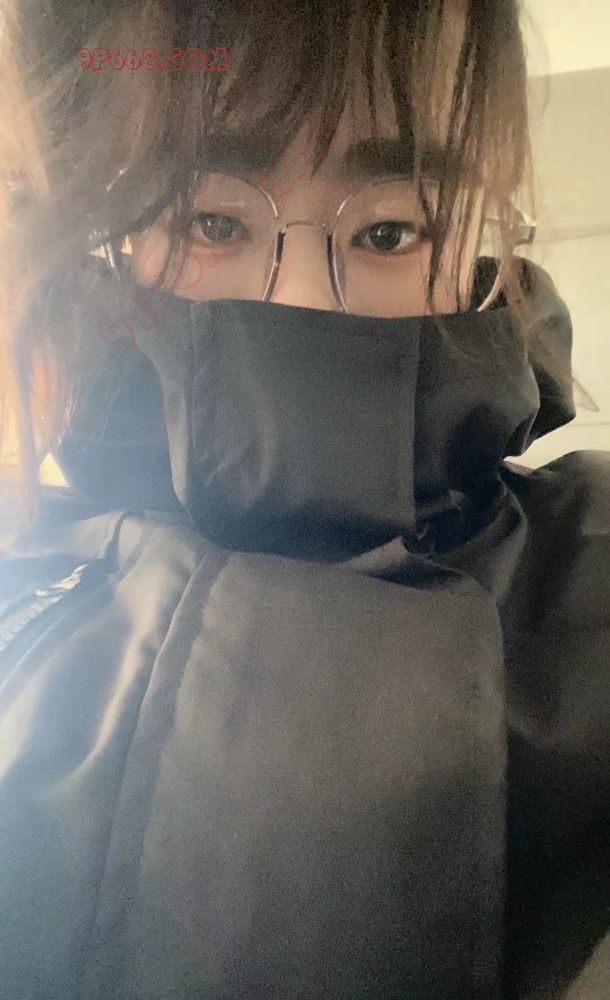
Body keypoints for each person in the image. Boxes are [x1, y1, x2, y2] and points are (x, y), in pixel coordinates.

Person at [0, 1, 608, 998]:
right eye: (209, 221)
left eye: (389, 230)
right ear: (100, 238)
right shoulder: (20, 587)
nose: (304, 304)